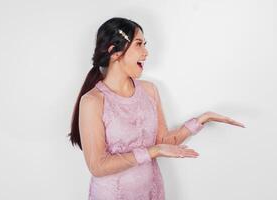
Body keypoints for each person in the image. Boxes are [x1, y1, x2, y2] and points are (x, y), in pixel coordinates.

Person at [68, 17, 245, 200]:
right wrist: (153, 151)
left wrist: (201, 120)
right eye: (139, 44)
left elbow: (163, 141)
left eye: (145, 44)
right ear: (114, 51)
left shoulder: (149, 90)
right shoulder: (93, 101)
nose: (146, 52)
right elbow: (97, 166)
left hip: (152, 193)